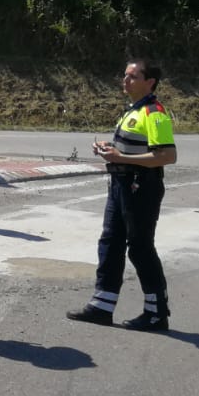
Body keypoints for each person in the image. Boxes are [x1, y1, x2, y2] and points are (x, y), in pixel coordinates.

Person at [67, 59, 177, 330]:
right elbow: (132, 148)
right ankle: (102, 306)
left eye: (132, 76)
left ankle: (157, 312)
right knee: (110, 242)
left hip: (141, 186)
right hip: (120, 184)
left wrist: (121, 156)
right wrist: (110, 149)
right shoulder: (134, 110)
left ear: (149, 81)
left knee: (140, 248)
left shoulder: (154, 112)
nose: (125, 81)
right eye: (124, 76)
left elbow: (167, 156)